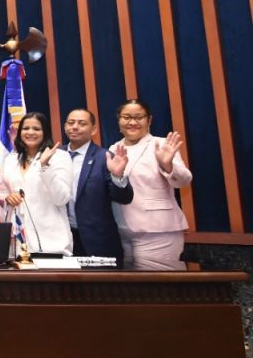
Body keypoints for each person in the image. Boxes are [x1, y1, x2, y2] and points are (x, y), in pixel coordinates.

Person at [109, 99, 192, 270]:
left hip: (157, 232)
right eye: (126, 117)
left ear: (149, 120)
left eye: (139, 117)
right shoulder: (113, 148)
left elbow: (184, 180)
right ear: (119, 120)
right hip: (122, 232)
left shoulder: (161, 144)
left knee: (159, 290)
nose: (132, 122)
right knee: (132, 293)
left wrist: (167, 165)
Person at [62, 108, 134, 263]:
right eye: (71, 123)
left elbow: (124, 197)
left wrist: (117, 176)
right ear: (65, 127)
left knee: (101, 288)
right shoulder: (55, 156)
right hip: (62, 241)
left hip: (98, 242)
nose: (75, 127)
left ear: (93, 129)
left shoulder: (104, 157)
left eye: (82, 123)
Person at [0, 112, 73, 256]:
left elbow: (61, 198)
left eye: (36, 129)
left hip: (51, 241)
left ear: (45, 132)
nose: (30, 132)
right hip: (17, 242)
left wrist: (45, 167)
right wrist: (8, 198)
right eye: (26, 128)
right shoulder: (11, 160)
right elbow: (1, 191)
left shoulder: (59, 157)